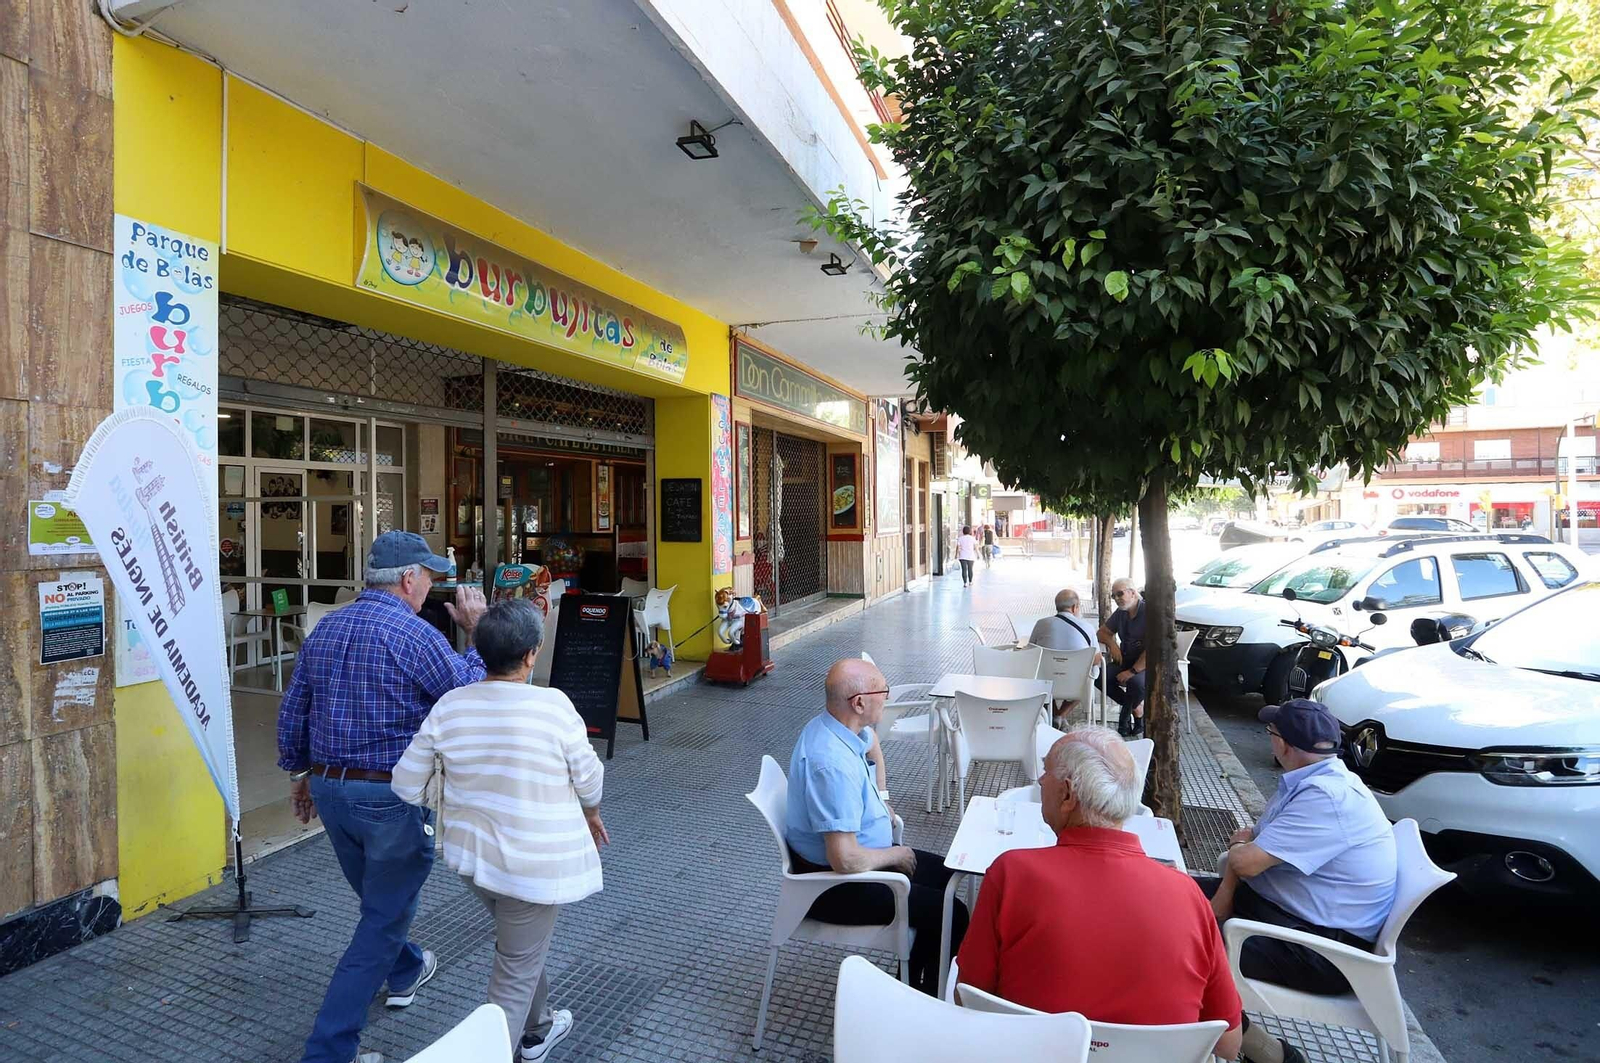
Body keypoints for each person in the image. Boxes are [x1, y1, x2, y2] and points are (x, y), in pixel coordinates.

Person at [277, 530, 488, 1063]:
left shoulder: (326, 628)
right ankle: (329, 1050)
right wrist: (479, 630)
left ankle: (406, 968)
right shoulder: (413, 633)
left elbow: (296, 707)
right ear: (407, 578)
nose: (433, 588)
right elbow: (466, 693)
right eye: (430, 578)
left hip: (331, 790)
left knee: (380, 906)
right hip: (389, 794)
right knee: (380, 920)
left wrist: (302, 774)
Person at [392, 599, 606, 1063]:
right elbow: (589, 778)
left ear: (477, 646)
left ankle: (540, 1026)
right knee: (512, 969)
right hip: (534, 867)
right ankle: (507, 1047)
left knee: (519, 946)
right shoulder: (553, 706)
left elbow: (405, 784)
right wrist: (591, 811)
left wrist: (455, 798)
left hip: (475, 863)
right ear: (531, 655)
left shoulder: (451, 707)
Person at [957, 728, 1243, 1062]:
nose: (1039, 781)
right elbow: (1228, 1042)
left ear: (1067, 795)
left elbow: (968, 999)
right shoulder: (1189, 897)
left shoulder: (1011, 875)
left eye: (1045, 772)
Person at [1194, 699, 1398, 1063]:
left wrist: (1232, 878)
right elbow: (1246, 848)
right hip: (1285, 915)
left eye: (1270, 733)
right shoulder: (1314, 780)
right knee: (1168, 896)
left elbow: (1247, 858)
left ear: (1283, 744)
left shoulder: (1327, 797)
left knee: (1180, 950)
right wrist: (1231, 881)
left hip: (1320, 951)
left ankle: (1266, 1053)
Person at [786, 658, 968, 994]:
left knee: (949, 877)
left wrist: (882, 798)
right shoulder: (832, 765)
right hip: (834, 887)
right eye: (882, 691)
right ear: (859, 703)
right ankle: (921, 1000)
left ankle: (911, 985)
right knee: (952, 913)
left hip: (860, 863)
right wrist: (895, 855)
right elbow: (844, 859)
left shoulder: (841, 727)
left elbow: (873, 746)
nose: (887, 696)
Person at [1097, 577, 1147, 736]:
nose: (1117, 599)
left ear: (1132, 593)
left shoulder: (1148, 612)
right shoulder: (1121, 613)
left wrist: (1132, 671)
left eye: (1120, 594)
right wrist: (1113, 645)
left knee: (1135, 684)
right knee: (1100, 677)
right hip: (1125, 659)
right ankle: (1136, 709)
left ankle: (1125, 718)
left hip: (1146, 664)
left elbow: (1154, 649)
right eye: (1114, 596)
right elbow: (1102, 632)